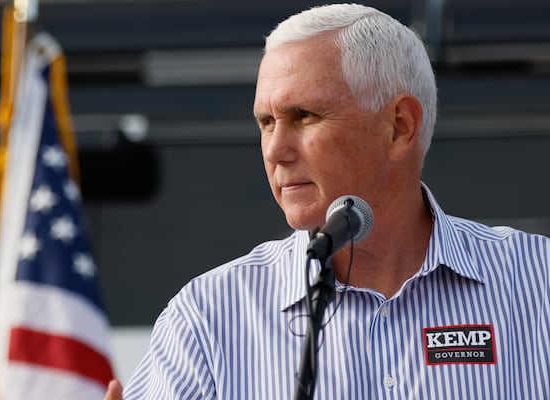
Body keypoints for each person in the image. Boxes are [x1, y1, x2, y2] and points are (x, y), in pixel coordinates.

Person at [105, 3, 549, 399]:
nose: (275, 150)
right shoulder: (207, 318)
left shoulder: (538, 285)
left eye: (304, 116)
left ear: (399, 126)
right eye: (266, 122)